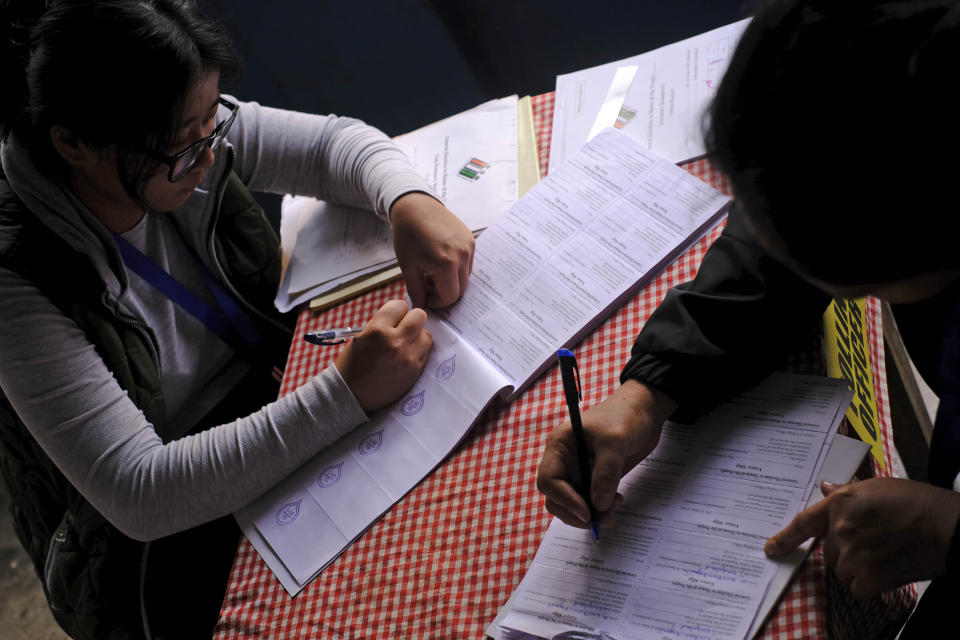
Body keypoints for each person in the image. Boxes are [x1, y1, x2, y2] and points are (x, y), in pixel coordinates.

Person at [0, 0, 475, 638]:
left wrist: (408, 201)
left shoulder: (179, 127)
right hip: (155, 540)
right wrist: (343, 394)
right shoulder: (19, 277)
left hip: (269, 392)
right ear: (74, 144)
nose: (207, 159)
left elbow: (336, 145)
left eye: (213, 125)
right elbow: (141, 491)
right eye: (182, 150)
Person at [536, 0, 960, 635]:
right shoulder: (898, 81)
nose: (756, 233)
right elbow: (774, 237)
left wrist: (947, 526)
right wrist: (648, 391)